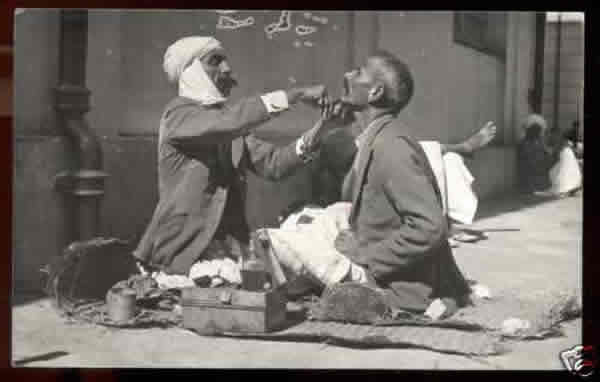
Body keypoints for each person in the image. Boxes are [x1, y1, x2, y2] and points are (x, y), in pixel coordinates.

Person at [266, 51, 472, 316]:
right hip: (371, 258)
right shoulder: (376, 136)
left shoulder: (391, 146)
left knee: (270, 241)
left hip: (396, 285)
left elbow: (430, 227)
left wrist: (365, 255)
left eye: (359, 72)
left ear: (375, 92)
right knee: (306, 225)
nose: (348, 75)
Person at [133, 36, 336, 278]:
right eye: (215, 61)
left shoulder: (226, 124)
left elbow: (274, 164)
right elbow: (229, 123)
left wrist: (323, 128)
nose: (227, 69)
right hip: (182, 251)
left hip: (229, 247)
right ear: (191, 72)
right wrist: (294, 95)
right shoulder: (178, 115)